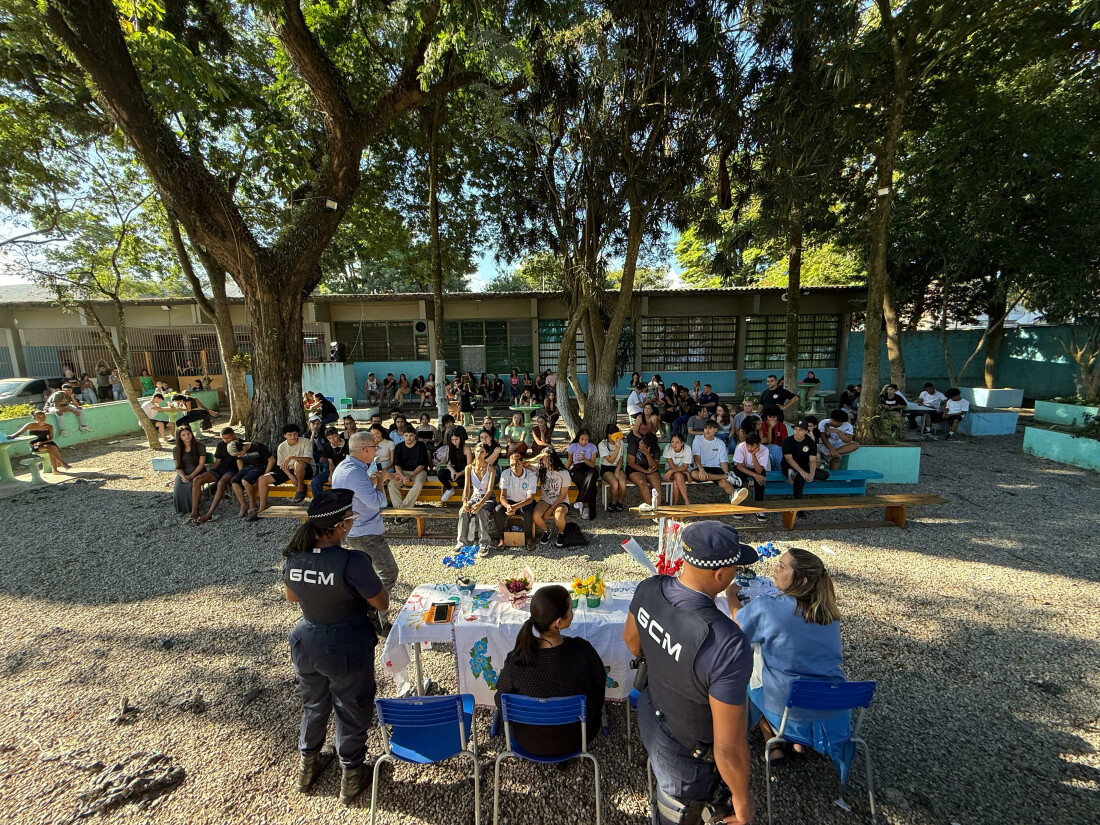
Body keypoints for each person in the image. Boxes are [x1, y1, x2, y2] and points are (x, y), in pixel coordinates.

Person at [622, 522, 757, 825]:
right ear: (720, 574)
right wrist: (743, 799)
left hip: (651, 713)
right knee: (679, 814)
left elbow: (631, 640)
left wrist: (666, 663)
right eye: (736, 567)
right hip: (688, 756)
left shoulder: (648, 588)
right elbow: (728, 746)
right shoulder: (727, 644)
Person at [282, 489, 389, 804]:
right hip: (345, 643)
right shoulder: (351, 561)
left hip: (306, 639)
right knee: (351, 706)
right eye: (351, 518)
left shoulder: (293, 554)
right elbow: (381, 601)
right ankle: (352, 774)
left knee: (313, 704)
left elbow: (292, 596)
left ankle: (308, 765)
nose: (352, 523)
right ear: (340, 526)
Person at [731, 547, 845, 767]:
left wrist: (729, 595)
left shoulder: (769, 607)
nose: (775, 568)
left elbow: (739, 621)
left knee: (750, 672)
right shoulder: (830, 613)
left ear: (801, 581)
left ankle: (773, 741)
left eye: (782, 566)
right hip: (833, 713)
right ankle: (798, 744)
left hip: (789, 711)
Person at [495, 584, 607, 756]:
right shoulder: (583, 651)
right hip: (577, 737)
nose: (573, 613)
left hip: (528, 740)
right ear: (558, 622)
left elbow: (501, 699)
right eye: (570, 609)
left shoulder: (516, 660)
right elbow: (599, 688)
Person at [332, 432, 400, 623]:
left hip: (357, 529)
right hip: (365, 531)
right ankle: (376, 613)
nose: (376, 451)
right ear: (366, 450)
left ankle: (369, 610)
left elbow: (360, 489)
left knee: (368, 573)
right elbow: (377, 501)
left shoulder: (346, 467)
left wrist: (386, 477)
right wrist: (380, 481)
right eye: (375, 448)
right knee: (388, 572)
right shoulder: (354, 472)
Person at [253, 423, 314, 516]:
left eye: (295, 434)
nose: (293, 437)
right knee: (262, 479)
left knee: (298, 464)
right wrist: (290, 476)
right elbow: (282, 465)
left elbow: (308, 459)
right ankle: (262, 507)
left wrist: (291, 457)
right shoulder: (282, 446)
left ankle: (300, 487)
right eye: (290, 435)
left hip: (305, 468)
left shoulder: (305, 441)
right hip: (287, 470)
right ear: (285, 435)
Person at [491, 444, 538, 552]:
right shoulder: (505, 474)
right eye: (512, 465)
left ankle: (529, 538)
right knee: (498, 510)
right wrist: (508, 506)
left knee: (526, 510)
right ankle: (502, 537)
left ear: (522, 463)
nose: (514, 467)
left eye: (517, 464)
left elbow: (530, 498)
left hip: (525, 501)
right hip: (510, 502)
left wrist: (515, 507)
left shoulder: (530, 475)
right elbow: (502, 496)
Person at [189, 426, 239, 524]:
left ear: (233, 435)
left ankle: (209, 514)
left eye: (228, 438)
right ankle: (194, 512)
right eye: (223, 438)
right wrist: (210, 469)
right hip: (220, 468)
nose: (226, 441)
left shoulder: (240, 443)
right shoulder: (221, 445)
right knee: (197, 479)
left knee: (221, 483)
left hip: (232, 469)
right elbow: (218, 461)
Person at [691, 420, 746, 506]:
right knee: (694, 474)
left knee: (723, 482)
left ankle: (734, 494)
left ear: (716, 430)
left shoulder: (720, 443)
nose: (707, 430)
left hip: (716, 468)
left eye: (710, 428)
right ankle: (729, 481)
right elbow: (696, 457)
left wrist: (725, 472)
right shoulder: (697, 439)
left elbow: (723, 461)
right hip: (702, 467)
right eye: (705, 428)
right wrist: (701, 469)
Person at [458, 443, 496, 556]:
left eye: (482, 452)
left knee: (481, 511)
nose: (479, 454)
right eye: (477, 451)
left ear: (486, 454)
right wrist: (465, 502)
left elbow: (489, 490)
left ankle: (484, 542)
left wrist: (480, 504)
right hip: (475, 496)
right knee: (462, 511)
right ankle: (462, 542)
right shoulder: (469, 468)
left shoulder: (491, 469)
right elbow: (467, 487)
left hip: (488, 498)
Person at [534, 448, 573, 547]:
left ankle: (561, 532)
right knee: (536, 515)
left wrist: (550, 510)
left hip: (561, 501)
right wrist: (538, 457)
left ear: (554, 458)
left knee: (558, 516)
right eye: (544, 458)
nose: (546, 460)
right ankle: (546, 531)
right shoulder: (541, 470)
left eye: (549, 458)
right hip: (546, 500)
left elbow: (563, 495)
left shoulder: (563, 473)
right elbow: (524, 464)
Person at [387, 426, 430, 511]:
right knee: (391, 485)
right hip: (402, 471)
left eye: (411, 435)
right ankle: (400, 510)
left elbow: (422, 465)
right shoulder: (399, 447)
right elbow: (397, 465)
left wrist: (410, 476)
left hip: (418, 471)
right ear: (403, 436)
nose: (408, 438)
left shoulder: (421, 446)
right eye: (406, 435)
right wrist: (403, 477)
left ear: (414, 436)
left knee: (418, 484)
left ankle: (403, 510)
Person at [229, 438, 273, 517]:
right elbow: (239, 460)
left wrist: (266, 473)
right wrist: (241, 471)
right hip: (249, 468)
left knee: (245, 481)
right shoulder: (239, 452)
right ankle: (243, 504)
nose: (239, 456)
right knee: (234, 481)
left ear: (243, 447)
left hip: (261, 467)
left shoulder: (258, 447)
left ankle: (252, 503)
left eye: (240, 453)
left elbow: (271, 460)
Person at [733, 432, 770, 522]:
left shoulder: (764, 450)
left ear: (758, 445)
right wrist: (755, 475)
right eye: (748, 446)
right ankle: (737, 504)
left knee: (760, 479)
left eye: (752, 446)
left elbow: (759, 471)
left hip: (756, 468)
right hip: (743, 468)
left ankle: (759, 507)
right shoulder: (741, 446)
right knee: (738, 478)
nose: (749, 448)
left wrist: (753, 455)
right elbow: (739, 466)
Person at [782, 420, 819, 509]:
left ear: (806, 431)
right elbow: (789, 459)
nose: (797, 432)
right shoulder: (787, 441)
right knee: (799, 478)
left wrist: (812, 473)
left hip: (805, 465)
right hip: (789, 466)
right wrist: (802, 472)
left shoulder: (811, 442)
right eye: (795, 429)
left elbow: (812, 460)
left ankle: (797, 475)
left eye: (800, 430)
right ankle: (798, 507)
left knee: (824, 474)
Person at [565, 428, 598, 521]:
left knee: (590, 478)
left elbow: (592, 464)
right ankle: (587, 508)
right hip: (577, 468)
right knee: (588, 484)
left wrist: (584, 459)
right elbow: (569, 461)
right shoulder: (573, 446)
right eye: (582, 439)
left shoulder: (592, 447)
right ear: (578, 438)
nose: (584, 441)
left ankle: (580, 501)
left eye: (586, 439)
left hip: (589, 467)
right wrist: (563, 472)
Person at [172, 427, 206, 516]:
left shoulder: (200, 446)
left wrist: (191, 476)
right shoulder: (176, 450)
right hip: (183, 472)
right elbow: (177, 466)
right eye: (183, 435)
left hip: (197, 471)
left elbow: (201, 464)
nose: (187, 436)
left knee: (191, 485)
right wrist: (183, 476)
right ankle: (182, 508)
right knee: (178, 486)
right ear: (179, 437)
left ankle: (193, 507)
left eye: (188, 433)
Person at [311, 424, 348, 500]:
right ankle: (319, 502)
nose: (332, 440)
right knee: (315, 481)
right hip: (334, 469)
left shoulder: (347, 444)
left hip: (347, 470)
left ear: (338, 435)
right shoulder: (327, 447)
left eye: (334, 437)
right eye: (329, 438)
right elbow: (330, 463)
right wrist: (331, 474)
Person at [627, 431, 663, 508]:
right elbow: (631, 463)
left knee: (657, 482)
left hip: (650, 468)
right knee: (641, 482)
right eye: (642, 442)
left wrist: (647, 454)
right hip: (635, 468)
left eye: (644, 445)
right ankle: (650, 505)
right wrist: (645, 471)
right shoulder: (633, 444)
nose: (641, 444)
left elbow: (654, 466)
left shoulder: (655, 448)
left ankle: (658, 507)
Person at [437, 426, 472, 503]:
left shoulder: (466, 449)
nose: (454, 442)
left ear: (460, 439)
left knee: (460, 480)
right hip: (455, 470)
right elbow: (448, 464)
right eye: (452, 440)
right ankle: (449, 489)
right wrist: (452, 471)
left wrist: (460, 473)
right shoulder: (450, 448)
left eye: (456, 439)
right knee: (441, 473)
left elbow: (469, 466)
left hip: (465, 472)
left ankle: (466, 492)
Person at [598, 424, 627, 512]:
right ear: (609, 436)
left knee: (622, 483)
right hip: (606, 467)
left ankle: (620, 501)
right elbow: (610, 460)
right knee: (614, 483)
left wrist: (618, 470)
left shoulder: (621, 442)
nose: (618, 438)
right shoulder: (602, 444)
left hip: (617, 466)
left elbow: (621, 458)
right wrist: (617, 449)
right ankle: (612, 501)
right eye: (615, 435)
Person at [663, 431, 694, 506]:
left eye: (677, 442)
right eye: (672, 442)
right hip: (671, 470)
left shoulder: (687, 449)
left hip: (680, 471)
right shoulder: (668, 448)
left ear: (682, 443)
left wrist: (684, 471)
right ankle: (686, 501)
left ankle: (675, 504)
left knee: (676, 481)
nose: (674, 444)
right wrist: (686, 473)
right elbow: (672, 466)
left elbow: (685, 466)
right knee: (677, 475)